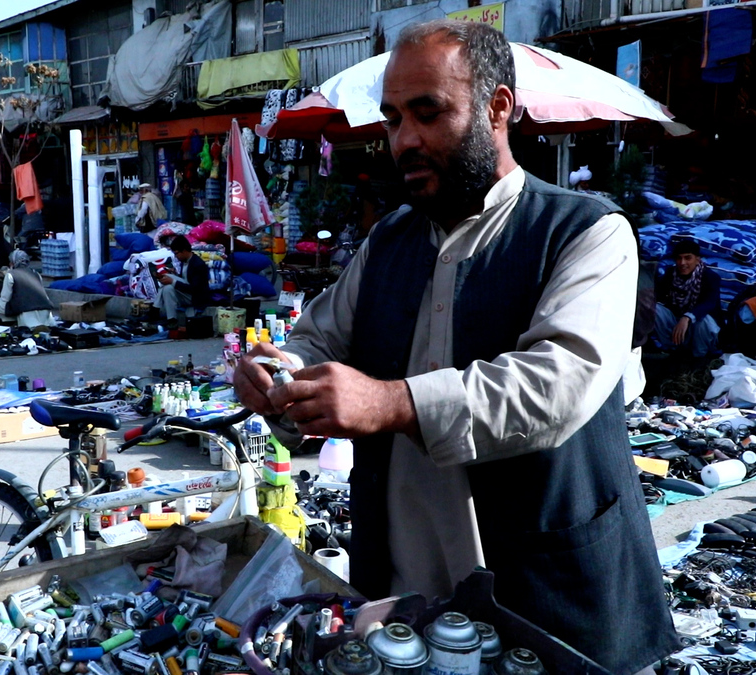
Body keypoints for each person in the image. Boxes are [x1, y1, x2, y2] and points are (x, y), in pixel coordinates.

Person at [232, 19, 677, 675]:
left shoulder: (586, 232)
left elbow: (556, 384)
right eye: (391, 120)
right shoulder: (390, 242)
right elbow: (315, 336)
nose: (403, 140)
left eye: (427, 112)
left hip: (548, 596)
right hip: (408, 594)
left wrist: (393, 402)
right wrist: (280, 374)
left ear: (498, 107)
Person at [653, 239, 722, 360]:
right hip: (677, 324)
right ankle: (671, 350)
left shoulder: (710, 277)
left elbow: (709, 303)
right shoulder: (671, 274)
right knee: (654, 309)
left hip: (699, 328)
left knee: (703, 320)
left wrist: (688, 317)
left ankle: (698, 360)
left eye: (688, 258)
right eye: (679, 258)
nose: (682, 263)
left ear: (697, 259)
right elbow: (657, 294)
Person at [0, 249, 57, 328]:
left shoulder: (11, 274)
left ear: (13, 263)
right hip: (46, 312)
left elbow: (5, 298)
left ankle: (4, 323)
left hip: (26, 311)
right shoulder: (36, 273)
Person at [155, 235, 210, 328]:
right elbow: (186, 279)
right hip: (186, 294)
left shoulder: (198, 264)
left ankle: (155, 308)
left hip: (195, 297)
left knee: (168, 278)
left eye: (177, 253)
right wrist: (176, 275)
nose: (176, 256)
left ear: (184, 251)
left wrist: (173, 281)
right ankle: (172, 320)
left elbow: (195, 289)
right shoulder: (184, 262)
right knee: (167, 288)